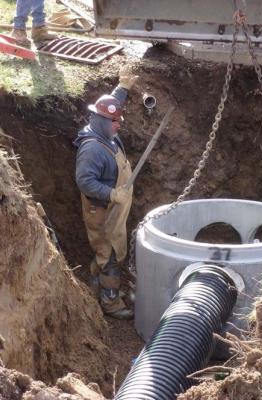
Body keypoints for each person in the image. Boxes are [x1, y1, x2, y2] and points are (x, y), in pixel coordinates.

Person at [74, 66, 138, 320]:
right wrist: (112, 194)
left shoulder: (103, 130)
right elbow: (84, 182)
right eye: (115, 122)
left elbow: (109, 108)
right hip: (102, 211)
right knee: (109, 256)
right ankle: (110, 304)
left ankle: (93, 285)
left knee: (106, 251)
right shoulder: (92, 150)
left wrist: (122, 88)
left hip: (113, 208)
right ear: (102, 122)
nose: (119, 125)